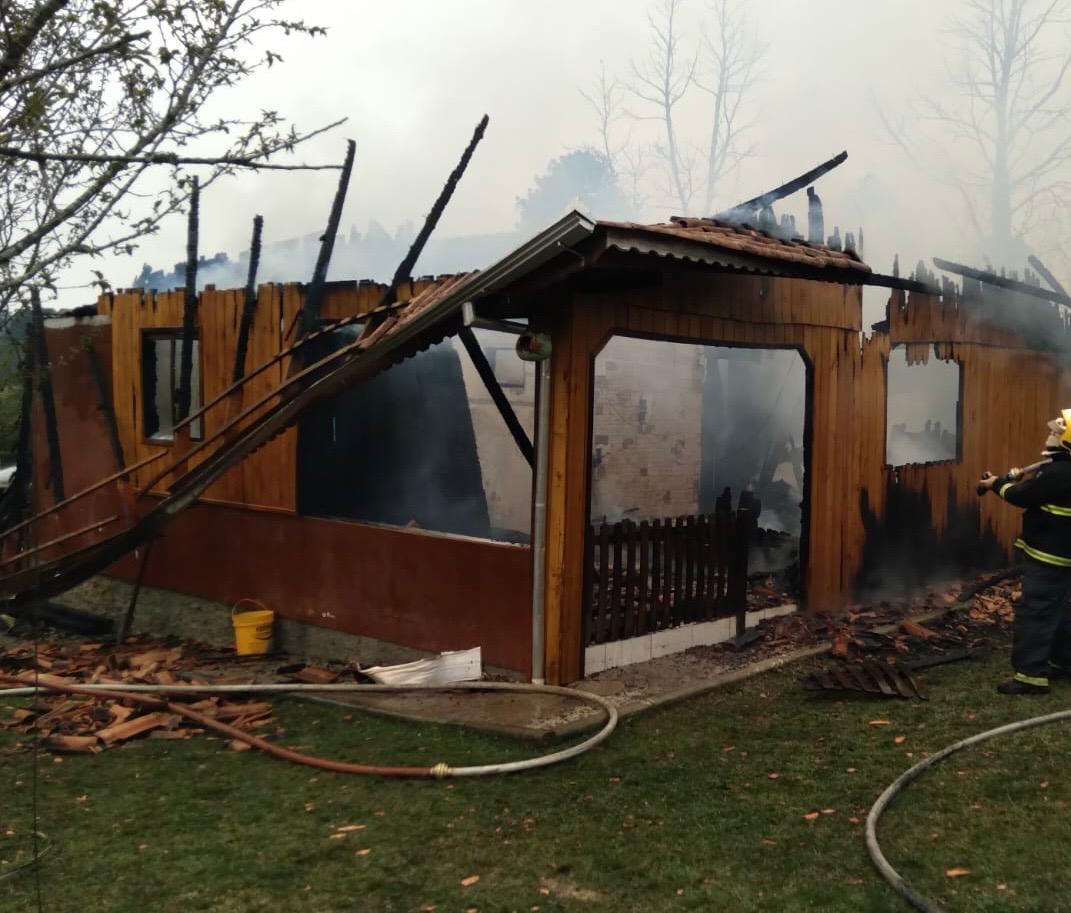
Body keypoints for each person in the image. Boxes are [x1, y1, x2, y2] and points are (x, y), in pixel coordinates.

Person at [979, 409, 1071, 694]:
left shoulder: (1057, 473)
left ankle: (1030, 676)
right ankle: (1064, 662)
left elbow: (1021, 496)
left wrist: (996, 484)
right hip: (1065, 557)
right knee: (1062, 611)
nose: (1051, 433)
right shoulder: (1058, 471)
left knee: (1037, 612)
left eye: (1057, 431)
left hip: (1050, 557)